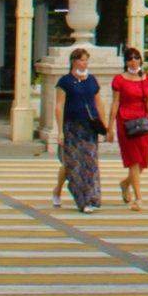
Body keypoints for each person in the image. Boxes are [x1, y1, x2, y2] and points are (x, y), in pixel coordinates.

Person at [105, 47, 148, 210]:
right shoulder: (119, 80)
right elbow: (115, 103)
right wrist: (110, 127)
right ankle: (138, 198)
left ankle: (125, 184)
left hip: (142, 123)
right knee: (134, 161)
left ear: (141, 60)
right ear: (126, 61)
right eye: (130, 58)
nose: (134, 61)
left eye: (136, 58)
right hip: (125, 122)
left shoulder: (145, 79)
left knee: (143, 162)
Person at [50, 48, 103, 213]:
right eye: (81, 60)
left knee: (90, 162)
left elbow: (98, 103)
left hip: (89, 127)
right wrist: (59, 131)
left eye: (86, 60)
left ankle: (90, 198)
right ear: (74, 61)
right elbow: (59, 106)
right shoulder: (65, 81)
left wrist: (105, 125)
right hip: (72, 127)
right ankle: (74, 196)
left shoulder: (91, 80)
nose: (84, 63)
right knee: (73, 164)